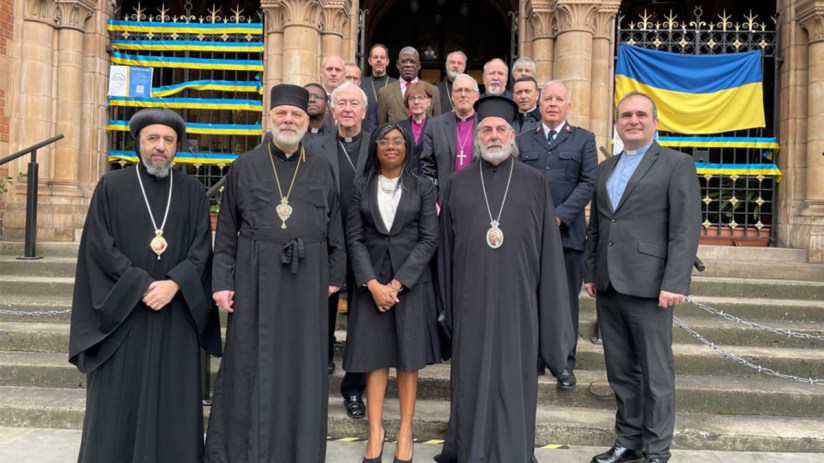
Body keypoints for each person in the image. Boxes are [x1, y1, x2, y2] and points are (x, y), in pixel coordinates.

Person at [69, 108, 222, 463]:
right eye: (153, 138)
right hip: (124, 314)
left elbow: (202, 249)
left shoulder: (192, 192)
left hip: (175, 315)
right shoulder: (112, 186)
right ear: (138, 142)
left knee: (173, 399)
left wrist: (174, 284)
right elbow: (98, 246)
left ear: (177, 147)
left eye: (168, 140)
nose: (160, 147)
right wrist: (139, 284)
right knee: (119, 398)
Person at [205, 84, 346, 462]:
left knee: (302, 365)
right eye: (282, 114)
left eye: (296, 115)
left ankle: (296, 450)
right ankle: (245, 449)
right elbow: (228, 229)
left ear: (307, 120)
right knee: (250, 361)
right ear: (269, 119)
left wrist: (335, 275)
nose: (288, 120)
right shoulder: (245, 165)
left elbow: (336, 229)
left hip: (308, 277)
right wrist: (222, 281)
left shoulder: (320, 166)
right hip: (254, 276)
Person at [434, 96, 574, 463]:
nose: (493, 136)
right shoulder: (455, 184)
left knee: (515, 380)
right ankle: (468, 450)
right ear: (476, 136)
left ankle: (514, 452)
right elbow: (445, 253)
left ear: (513, 136)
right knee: (471, 381)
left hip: (519, 304)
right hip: (470, 303)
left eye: (500, 129)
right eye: (486, 130)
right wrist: (447, 308)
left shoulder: (535, 183)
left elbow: (548, 252)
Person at [584, 91, 700, 463]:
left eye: (640, 115)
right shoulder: (606, 168)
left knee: (656, 375)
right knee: (621, 372)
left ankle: (656, 448)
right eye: (626, 115)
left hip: (652, 286)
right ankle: (628, 442)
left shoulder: (675, 164)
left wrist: (675, 281)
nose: (633, 120)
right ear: (617, 123)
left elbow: (685, 227)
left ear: (655, 122)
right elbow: (598, 226)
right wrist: (591, 272)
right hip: (609, 285)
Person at [344, 123, 441, 463]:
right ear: (375, 148)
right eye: (383, 140)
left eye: (397, 140)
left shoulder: (423, 186)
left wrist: (397, 285)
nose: (390, 146)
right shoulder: (360, 186)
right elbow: (353, 238)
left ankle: (404, 430)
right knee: (373, 359)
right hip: (369, 285)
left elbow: (430, 237)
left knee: (407, 360)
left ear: (407, 147)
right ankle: (375, 430)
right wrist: (372, 284)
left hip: (409, 285)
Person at [517, 80, 597, 390]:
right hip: (530, 238)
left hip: (568, 238)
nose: (552, 103)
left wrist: (559, 216)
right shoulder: (523, 141)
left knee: (565, 302)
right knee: (531, 299)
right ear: (539, 104)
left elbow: (588, 184)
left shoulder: (584, 140)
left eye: (558, 99)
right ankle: (535, 358)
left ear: (568, 106)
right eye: (547, 98)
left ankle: (564, 362)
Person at [306, 81, 371, 420]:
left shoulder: (379, 144)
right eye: (341, 102)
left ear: (364, 110)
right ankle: (318, 377)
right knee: (322, 314)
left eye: (353, 103)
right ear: (333, 110)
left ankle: (354, 390)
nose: (347, 108)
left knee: (362, 320)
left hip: (367, 243)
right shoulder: (315, 147)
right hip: (326, 242)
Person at [419, 73, 480, 200]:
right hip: (445, 198)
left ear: (477, 96)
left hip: (478, 197)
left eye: (467, 90)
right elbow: (428, 168)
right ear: (452, 96)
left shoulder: (486, 124)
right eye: (458, 90)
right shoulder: (435, 125)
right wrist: (433, 199)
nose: (463, 94)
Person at [377, 46, 441, 124]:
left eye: (412, 62)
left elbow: (437, 126)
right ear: (397, 64)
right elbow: (382, 127)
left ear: (419, 65)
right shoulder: (385, 93)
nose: (408, 65)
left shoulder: (433, 91)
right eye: (404, 61)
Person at [397, 82, 433, 175]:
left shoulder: (436, 127)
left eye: (421, 98)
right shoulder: (398, 128)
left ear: (429, 101)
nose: (416, 102)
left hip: (428, 182)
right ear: (407, 102)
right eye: (412, 98)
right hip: (405, 180)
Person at [345, 61, 378, 132]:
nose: (351, 81)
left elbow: (372, 128)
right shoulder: (332, 97)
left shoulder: (370, 102)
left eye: (355, 78)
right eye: (348, 77)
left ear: (359, 82)